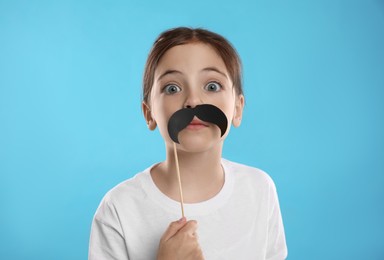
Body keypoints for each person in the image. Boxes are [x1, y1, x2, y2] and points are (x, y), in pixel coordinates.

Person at [89, 27, 287, 260]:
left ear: (238, 108)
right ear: (149, 113)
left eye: (212, 86)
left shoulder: (259, 190)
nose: (193, 101)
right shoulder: (119, 209)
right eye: (172, 88)